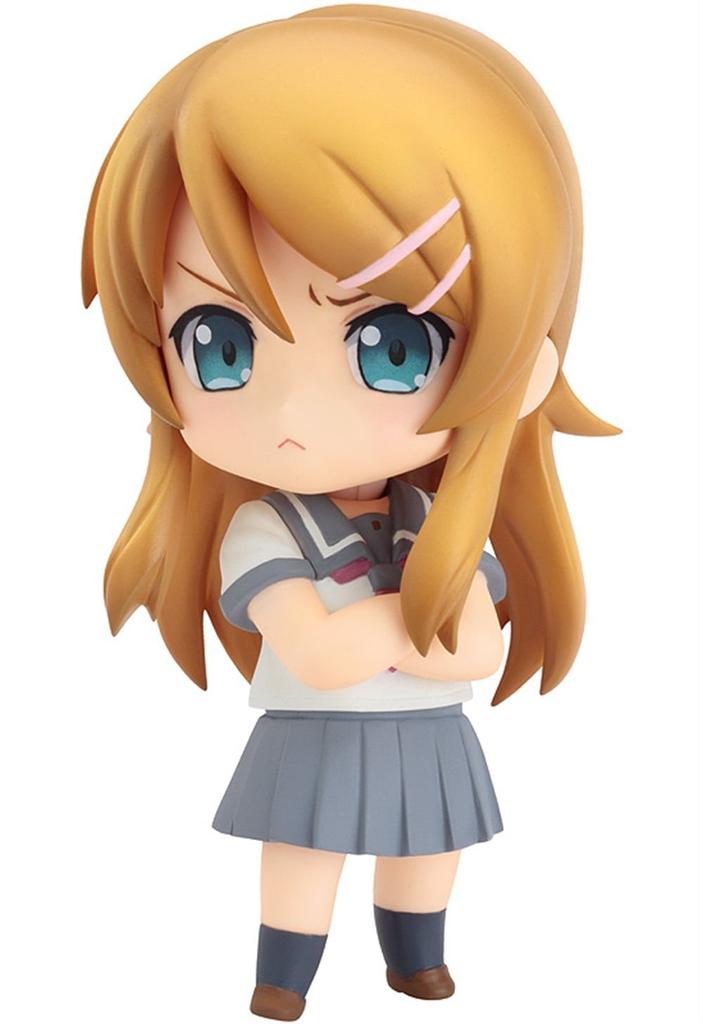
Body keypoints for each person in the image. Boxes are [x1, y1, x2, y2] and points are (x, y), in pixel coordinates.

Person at [82, 6, 618, 1020]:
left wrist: (401, 631)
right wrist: (415, 625)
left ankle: (416, 961)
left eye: (392, 348)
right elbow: (322, 656)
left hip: (426, 734)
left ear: (523, 367)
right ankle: (282, 979)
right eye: (220, 345)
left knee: (430, 851)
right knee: (303, 854)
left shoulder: (436, 518)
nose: (291, 418)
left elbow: (473, 649)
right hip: (315, 730)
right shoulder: (266, 530)